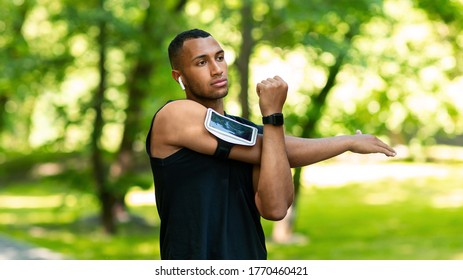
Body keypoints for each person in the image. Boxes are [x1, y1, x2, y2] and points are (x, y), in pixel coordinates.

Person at [146, 28, 396, 260]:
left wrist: (274, 122)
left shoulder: (253, 135)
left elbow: (275, 209)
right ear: (179, 77)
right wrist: (345, 141)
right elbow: (269, 146)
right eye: (201, 62)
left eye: (220, 58)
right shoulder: (174, 115)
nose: (216, 69)